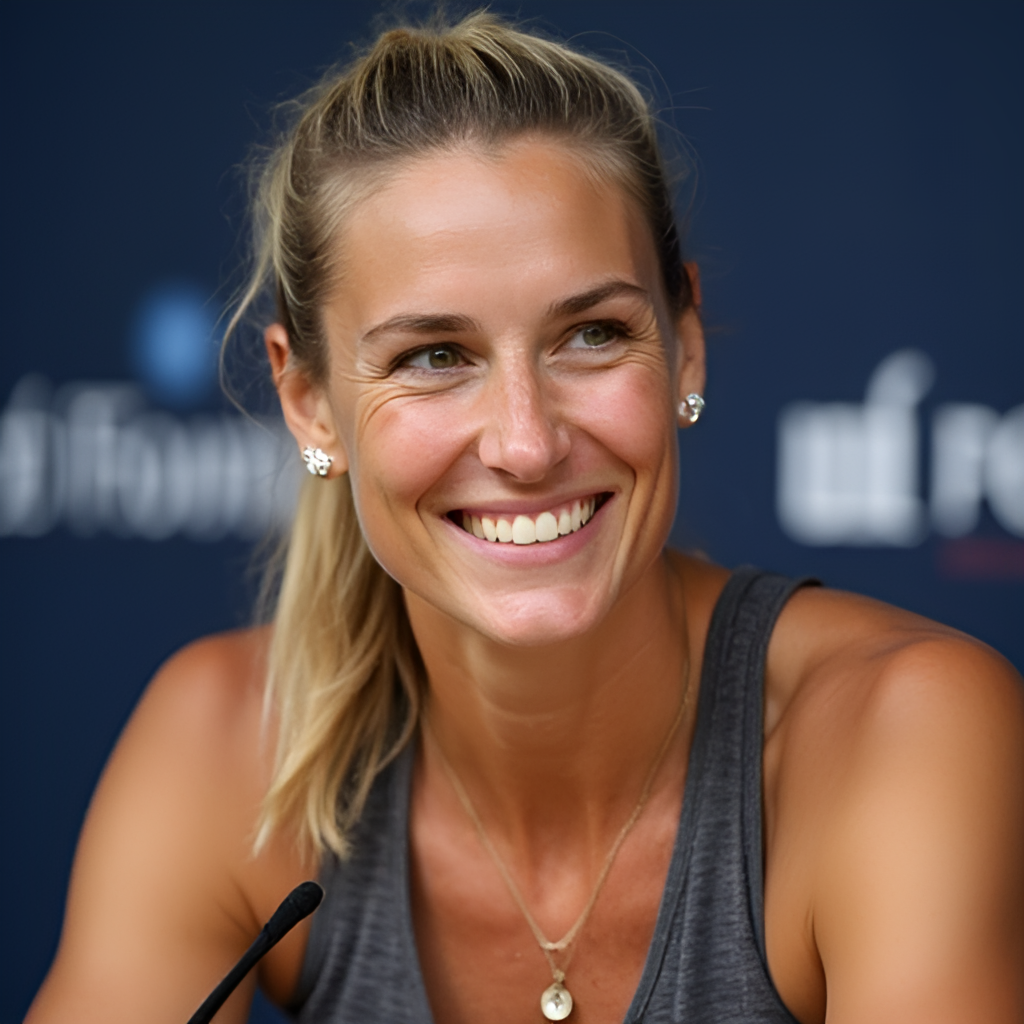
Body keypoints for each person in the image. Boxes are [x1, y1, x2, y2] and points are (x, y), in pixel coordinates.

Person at [27, 13, 1023, 1024]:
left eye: (590, 334)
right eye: (433, 356)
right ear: (309, 401)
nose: (526, 441)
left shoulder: (895, 732)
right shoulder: (223, 743)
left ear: (684, 341)